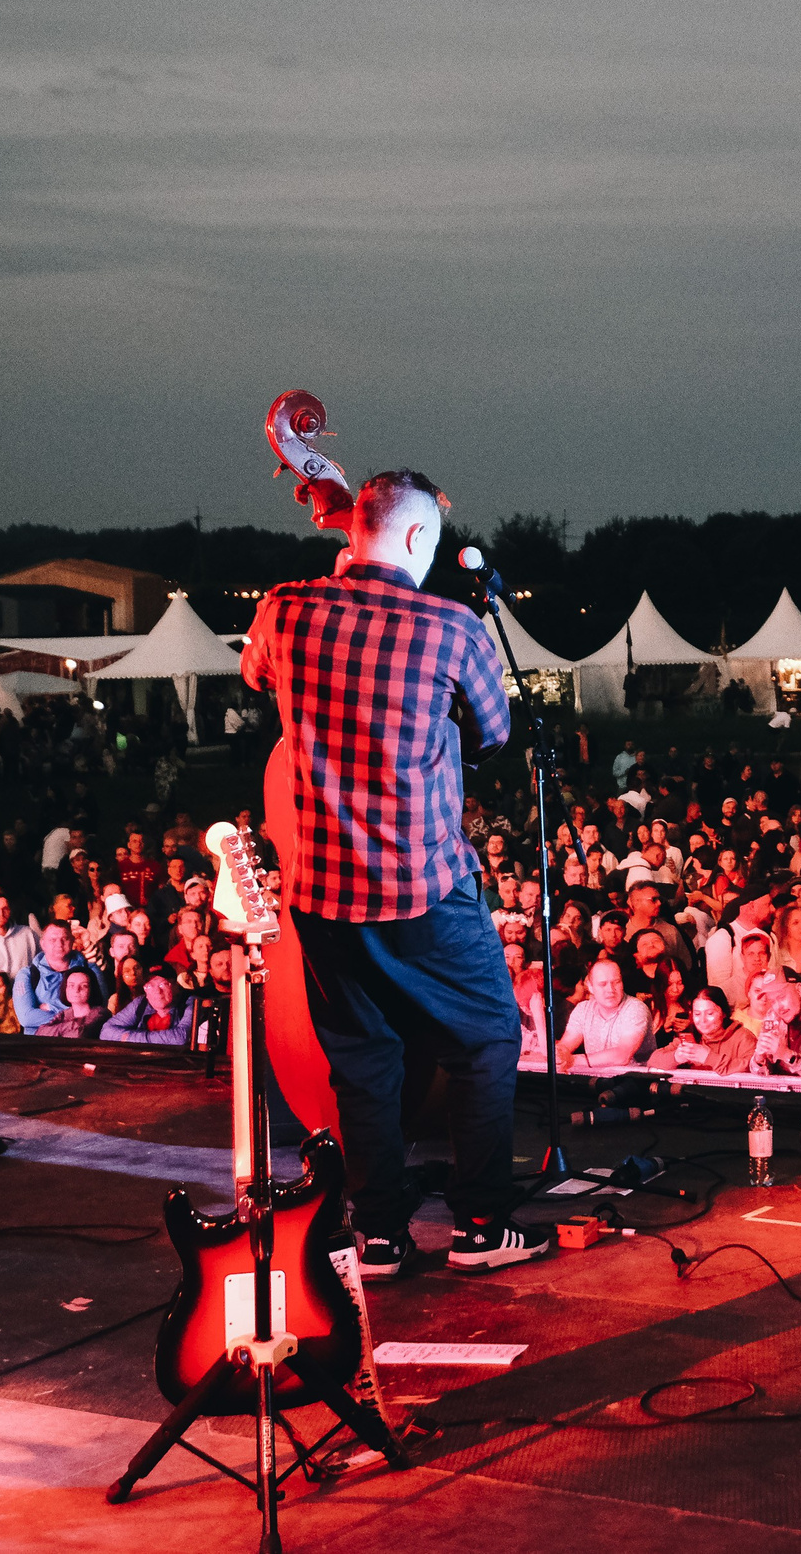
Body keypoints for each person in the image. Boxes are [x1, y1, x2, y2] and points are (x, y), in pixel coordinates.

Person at [240, 465, 544, 1278]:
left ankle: (378, 1234)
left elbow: (256, 674)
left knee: (363, 1060)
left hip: (323, 893)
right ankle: (482, 1224)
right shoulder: (451, 627)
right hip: (421, 886)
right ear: (415, 535)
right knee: (486, 1038)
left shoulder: (286, 608)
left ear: (357, 529)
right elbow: (491, 736)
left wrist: (338, 568)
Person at [556, 959, 653, 1071]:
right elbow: (565, 1046)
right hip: (596, 1078)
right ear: (590, 987)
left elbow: (623, 1055)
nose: (610, 989)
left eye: (616, 982)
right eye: (603, 984)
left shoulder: (635, 1008)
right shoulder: (583, 1009)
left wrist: (573, 1060)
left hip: (635, 1079)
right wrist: (559, 1055)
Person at [651, 987, 755, 1074]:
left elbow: (754, 1067)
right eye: (697, 1014)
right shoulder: (691, 1037)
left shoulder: (742, 1037)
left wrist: (709, 1057)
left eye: (710, 1013)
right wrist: (676, 1057)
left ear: (724, 1013)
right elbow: (653, 1061)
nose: (703, 1020)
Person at [103, 973, 194, 1046]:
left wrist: (132, 1038)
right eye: (150, 986)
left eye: (162, 984)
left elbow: (181, 1037)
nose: (157, 991)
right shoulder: (140, 1003)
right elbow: (106, 1032)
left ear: (175, 986)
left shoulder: (190, 1002)